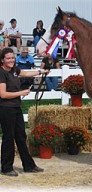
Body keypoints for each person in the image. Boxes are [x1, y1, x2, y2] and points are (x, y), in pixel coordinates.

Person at [0, 47, 48, 176]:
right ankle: (6, 168)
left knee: (21, 137)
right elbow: (3, 94)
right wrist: (22, 93)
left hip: (16, 108)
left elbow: (26, 73)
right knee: (8, 137)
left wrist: (40, 71)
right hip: (6, 109)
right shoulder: (1, 73)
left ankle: (28, 165)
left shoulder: (15, 70)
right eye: (8, 58)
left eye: (12, 57)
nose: (11, 60)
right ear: (2, 60)